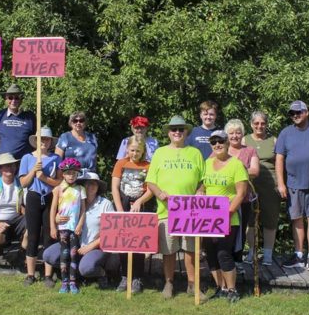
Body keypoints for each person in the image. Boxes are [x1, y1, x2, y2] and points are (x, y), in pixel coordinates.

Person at [145, 115, 205, 299]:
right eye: (173, 129)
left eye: (181, 129)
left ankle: (192, 285)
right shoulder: (160, 153)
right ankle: (169, 283)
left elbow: (203, 179)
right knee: (169, 250)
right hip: (166, 210)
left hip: (191, 211)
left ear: (186, 132)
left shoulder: (195, 153)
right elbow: (151, 181)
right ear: (168, 133)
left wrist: (200, 191)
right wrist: (160, 193)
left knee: (191, 249)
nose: (177, 132)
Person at [43, 172, 118, 289]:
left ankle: (102, 274)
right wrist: (57, 218)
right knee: (48, 255)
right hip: (71, 243)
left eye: (93, 184)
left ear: (98, 187)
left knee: (86, 268)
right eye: (86, 184)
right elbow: (61, 216)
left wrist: (91, 246)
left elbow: (112, 231)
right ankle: (75, 273)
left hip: (96, 246)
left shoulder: (105, 204)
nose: (89, 186)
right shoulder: (73, 200)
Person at [275, 100, 309, 271]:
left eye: (298, 112)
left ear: (307, 112)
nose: (295, 116)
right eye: (292, 113)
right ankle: (298, 254)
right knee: (296, 219)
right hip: (293, 183)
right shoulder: (285, 133)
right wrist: (281, 183)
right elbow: (279, 158)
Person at [200, 130, 249, 303]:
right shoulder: (206, 163)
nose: (217, 145)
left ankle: (232, 289)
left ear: (227, 143)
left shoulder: (236, 164)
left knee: (224, 253)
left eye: (220, 141)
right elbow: (202, 187)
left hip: (229, 216)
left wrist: (226, 213)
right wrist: (199, 196)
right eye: (213, 142)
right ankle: (220, 288)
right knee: (211, 254)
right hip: (207, 218)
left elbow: (241, 194)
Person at [18, 126, 62, 286]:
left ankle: (48, 274)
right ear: (36, 141)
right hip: (33, 197)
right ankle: (30, 274)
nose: (44, 141)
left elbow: (59, 182)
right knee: (33, 236)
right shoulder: (27, 158)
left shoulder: (56, 159)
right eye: (41, 138)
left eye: (47, 139)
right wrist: (33, 172)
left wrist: (43, 177)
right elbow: (23, 182)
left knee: (49, 236)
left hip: (50, 197)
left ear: (51, 141)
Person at [111, 135, 153, 293]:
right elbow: (115, 187)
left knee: (138, 243)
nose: (135, 153)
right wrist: (119, 209)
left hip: (140, 207)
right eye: (132, 150)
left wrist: (139, 202)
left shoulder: (148, 165)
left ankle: (137, 278)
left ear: (143, 151)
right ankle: (124, 276)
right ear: (127, 149)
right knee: (123, 243)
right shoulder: (120, 164)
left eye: (138, 151)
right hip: (122, 204)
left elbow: (150, 189)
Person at [243, 111, 279, 266]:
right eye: (256, 123)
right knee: (250, 220)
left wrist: (281, 183)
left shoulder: (274, 140)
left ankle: (268, 254)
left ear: (266, 124)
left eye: (262, 123)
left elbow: (279, 163)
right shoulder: (245, 139)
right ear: (251, 124)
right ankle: (252, 251)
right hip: (250, 184)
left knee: (270, 219)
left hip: (270, 184)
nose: (259, 126)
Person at [225, 119, 260, 267]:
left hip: (243, 198)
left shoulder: (249, 150)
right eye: (231, 133)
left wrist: (233, 172)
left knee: (240, 230)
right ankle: (225, 260)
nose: (235, 136)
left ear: (242, 134)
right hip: (223, 198)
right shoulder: (221, 149)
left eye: (238, 133)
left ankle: (237, 260)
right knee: (225, 230)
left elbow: (255, 171)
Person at [49, 158, 87, 294]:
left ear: (77, 174)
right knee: (64, 254)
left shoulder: (81, 189)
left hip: (75, 227)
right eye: (68, 173)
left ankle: (73, 282)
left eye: (74, 173)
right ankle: (64, 283)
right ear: (63, 174)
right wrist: (53, 226)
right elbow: (53, 209)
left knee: (73, 255)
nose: (71, 176)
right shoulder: (58, 189)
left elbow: (83, 209)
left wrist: (80, 224)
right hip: (63, 228)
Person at [0, 84, 36, 159]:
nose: (13, 101)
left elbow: (35, 139)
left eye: (17, 98)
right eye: (10, 98)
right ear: (6, 99)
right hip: (5, 163)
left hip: (23, 162)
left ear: (21, 100)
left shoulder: (30, 117)